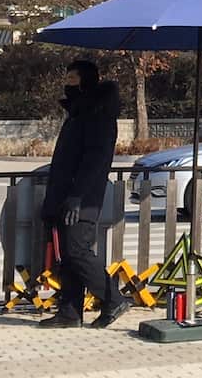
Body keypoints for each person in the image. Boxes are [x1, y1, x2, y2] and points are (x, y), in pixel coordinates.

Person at [38, 59, 128, 329]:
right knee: (66, 254)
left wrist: (77, 196)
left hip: (83, 198)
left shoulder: (98, 115)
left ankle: (113, 299)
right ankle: (70, 311)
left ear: (88, 79)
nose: (68, 82)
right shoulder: (78, 113)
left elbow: (94, 161)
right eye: (67, 76)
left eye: (74, 77)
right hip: (65, 194)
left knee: (77, 251)